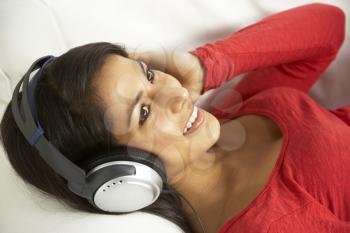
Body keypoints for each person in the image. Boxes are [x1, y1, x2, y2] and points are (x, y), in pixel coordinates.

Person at [0, 3, 348, 233]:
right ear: (119, 174)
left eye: (148, 74)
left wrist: (206, 62)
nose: (178, 93)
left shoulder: (225, 119)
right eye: (144, 112)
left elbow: (329, 26)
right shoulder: (270, 224)